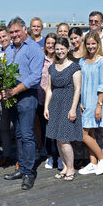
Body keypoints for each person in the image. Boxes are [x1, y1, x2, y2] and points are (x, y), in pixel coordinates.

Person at [1, 17, 44, 190]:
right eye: (11, 32)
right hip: (11, 96)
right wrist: (1, 89)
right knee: (18, 133)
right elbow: (3, 71)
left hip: (26, 95)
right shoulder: (9, 50)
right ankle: (22, 167)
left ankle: (29, 173)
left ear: (25, 30)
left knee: (27, 135)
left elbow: (35, 77)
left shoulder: (34, 49)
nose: (14, 35)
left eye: (17, 31)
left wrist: (14, 91)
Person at [44, 37, 83, 181]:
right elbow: (49, 89)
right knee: (57, 140)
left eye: (62, 49)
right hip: (55, 104)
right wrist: (46, 107)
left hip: (68, 104)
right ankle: (65, 167)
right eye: (57, 49)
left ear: (68, 49)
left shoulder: (75, 67)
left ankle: (71, 168)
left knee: (65, 139)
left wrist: (73, 109)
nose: (59, 51)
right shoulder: (52, 67)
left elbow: (78, 89)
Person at [77, 32, 103, 176]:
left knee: (83, 133)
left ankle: (102, 159)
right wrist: (79, 102)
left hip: (95, 101)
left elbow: (102, 84)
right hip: (84, 100)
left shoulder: (102, 61)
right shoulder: (82, 61)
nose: (91, 46)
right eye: (88, 44)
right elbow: (79, 83)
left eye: (93, 43)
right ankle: (93, 163)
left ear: (98, 44)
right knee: (89, 132)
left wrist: (99, 105)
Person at [0, 25, 14, 167]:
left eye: (4, 36)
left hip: (15, 94)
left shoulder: (17, 51)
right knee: (4, 128)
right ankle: (6, 155)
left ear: (9, 36)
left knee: (18, 128)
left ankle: (20, 158)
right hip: (1, 96)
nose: (2, 39)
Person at [39, 34, 62, 171]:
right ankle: (49, 155)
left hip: (58, 99)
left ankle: (59, 157)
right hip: (42, 99)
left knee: (58, 130)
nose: (50, 46)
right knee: (46, 129)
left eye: (53, 43)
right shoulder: (41, 59)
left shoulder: (60, 59)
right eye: (48, 43)